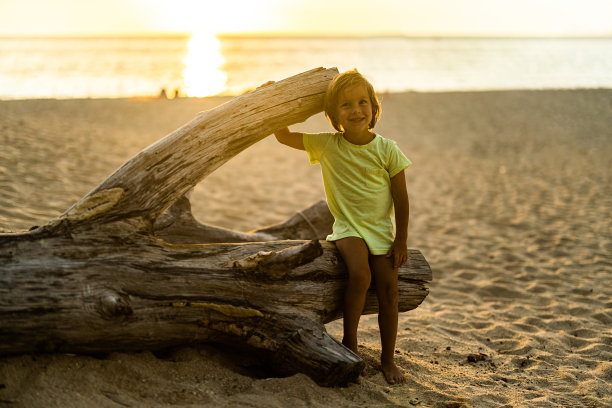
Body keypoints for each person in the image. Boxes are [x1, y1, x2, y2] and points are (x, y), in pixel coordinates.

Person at [273, 69, 411, 384]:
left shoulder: (387, 150)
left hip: (380, 232)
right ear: (334, 114)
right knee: (360, 275)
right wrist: (276, 98)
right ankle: (351, 342)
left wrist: (401, 242)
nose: (355, 110)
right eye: (346, 105)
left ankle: (388, 360)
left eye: (362, 102)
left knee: (390, 292)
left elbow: (401, 199)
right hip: (348, 228)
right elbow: (283, 135)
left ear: (374, 108)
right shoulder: (328, 145)